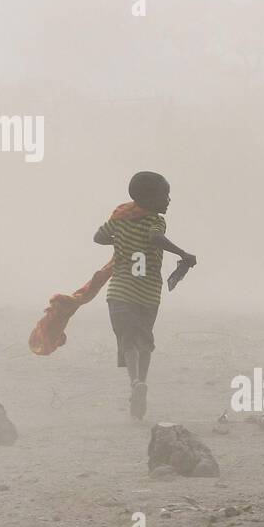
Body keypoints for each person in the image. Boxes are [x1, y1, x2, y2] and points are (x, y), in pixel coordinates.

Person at [93, 171, 195, 419]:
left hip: (120, 291)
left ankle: (135, 382)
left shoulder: (120, 218)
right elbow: (155, 238)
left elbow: (98, 237)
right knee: (145, 341)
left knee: (127, 339)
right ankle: (142, 383)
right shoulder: (155, 221)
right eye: (165, 196)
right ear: (150, 200)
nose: (169, 200)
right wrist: (182, 252)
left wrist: (119, 238)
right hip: (148, 293)